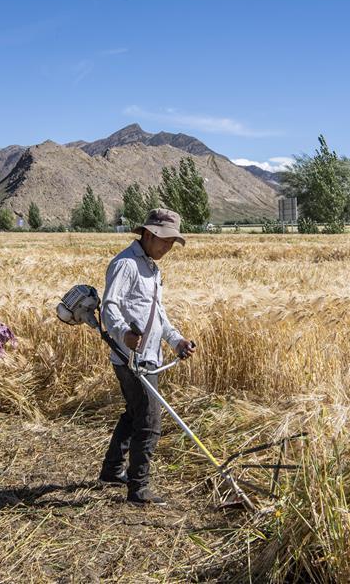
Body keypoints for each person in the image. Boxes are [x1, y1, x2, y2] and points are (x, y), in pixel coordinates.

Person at [98, 208, 197, 506]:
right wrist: (123, 334)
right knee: (150, 421)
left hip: (149, 356)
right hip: (130, 358)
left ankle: (112, 470)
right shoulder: (126, 264)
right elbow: (109, 307)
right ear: (149, 234)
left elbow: (159, 315)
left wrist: (177, 341)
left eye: (172, 243)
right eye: (165, 241)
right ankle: (138, 489)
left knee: (135, 412)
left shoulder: (152, 269)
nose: (168, 247)